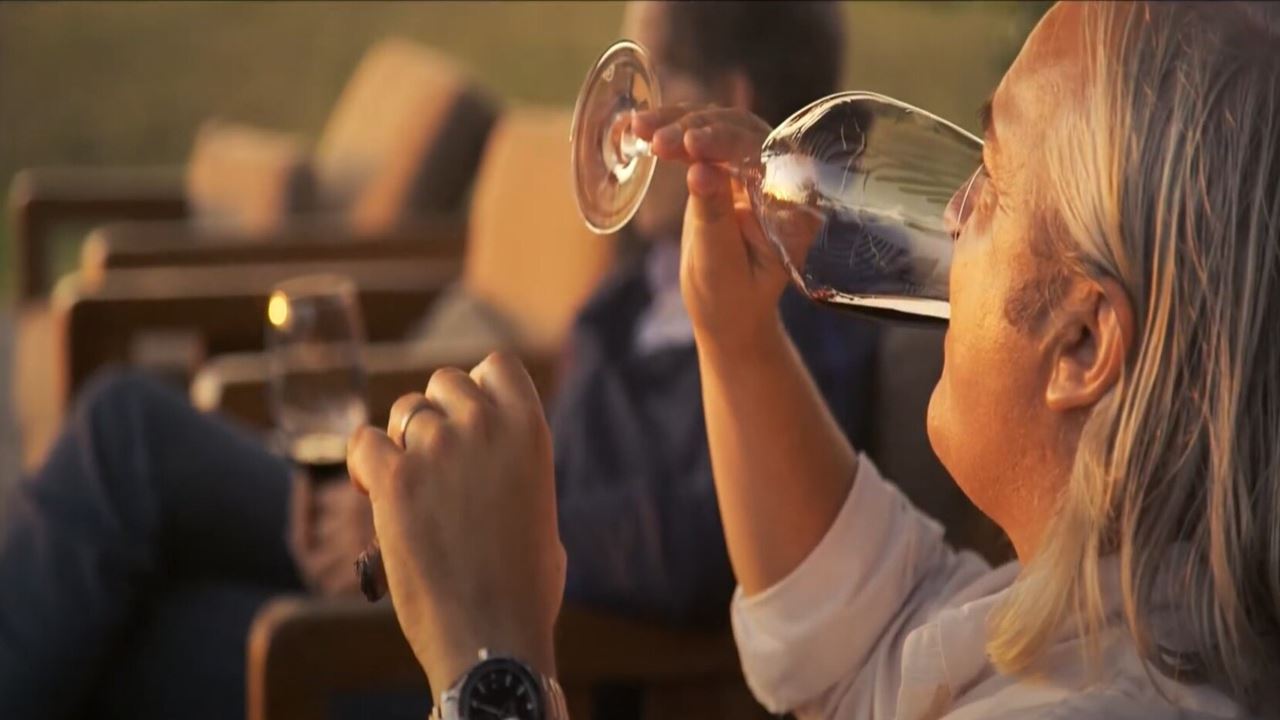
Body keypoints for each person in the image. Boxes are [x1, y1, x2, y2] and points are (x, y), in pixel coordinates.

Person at [347, 1, 1280, 718]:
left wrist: (492, 663)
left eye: (992, 177)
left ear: (1081, 344)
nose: (952, 214)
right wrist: (736, 332)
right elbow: (860, 635)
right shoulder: (1112, 626)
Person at [0, 2, 876, 717]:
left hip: (541, 650)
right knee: (128, 432)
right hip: (446, 566)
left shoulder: (798, 308)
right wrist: (405, 514)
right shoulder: (640, 279)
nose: (619, 119)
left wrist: (432, 532)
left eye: (643, 81)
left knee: (146, 627)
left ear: (721, 98)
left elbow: (699, 547)